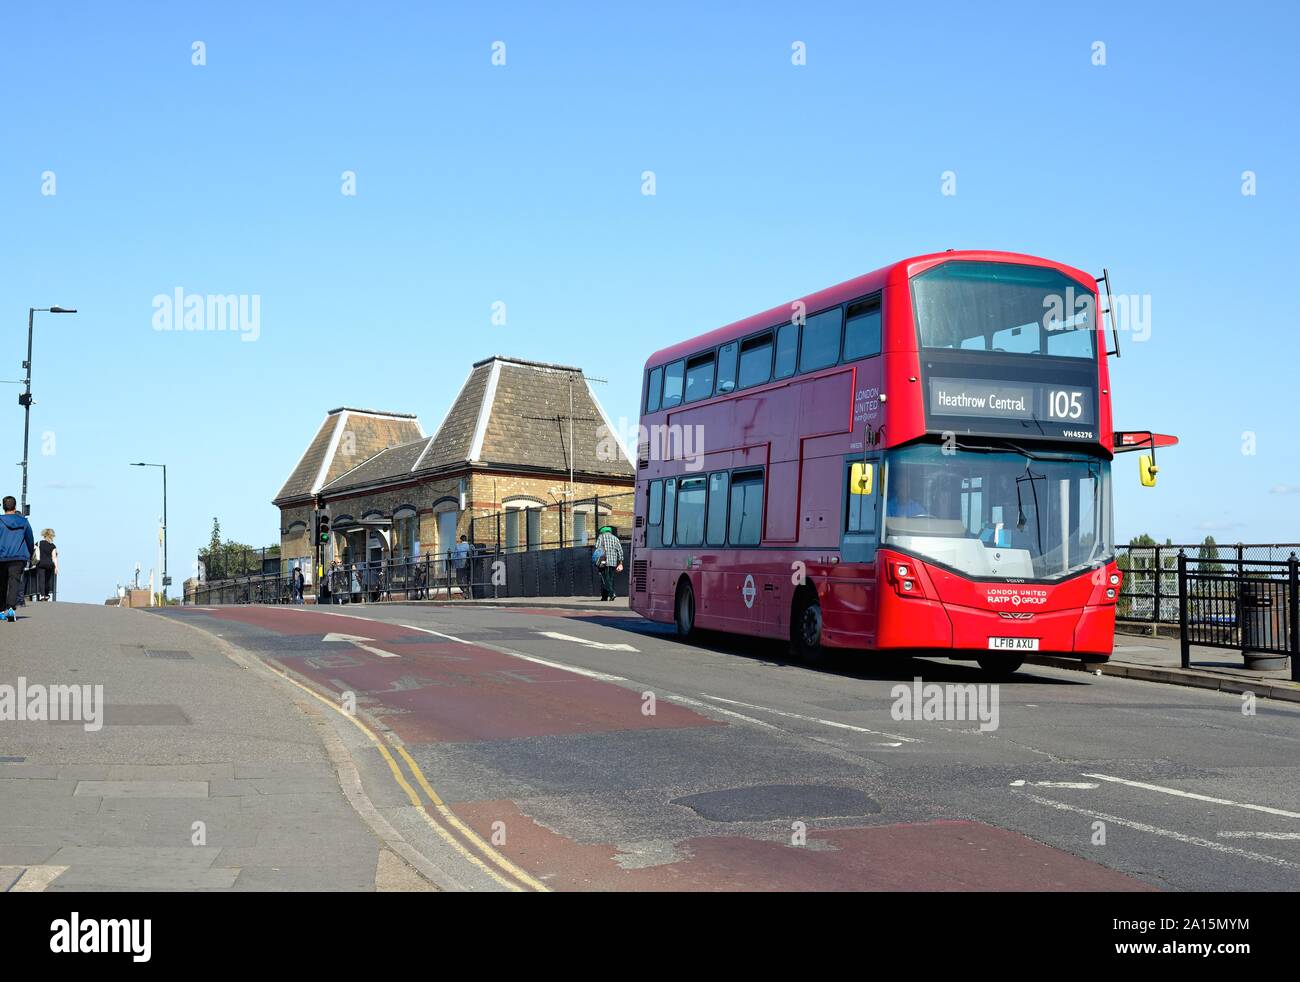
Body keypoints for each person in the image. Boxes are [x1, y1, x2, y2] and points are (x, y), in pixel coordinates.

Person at [0, 496, 36, 622]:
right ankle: (10, 609)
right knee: (14, 582)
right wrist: (30, 554)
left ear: (3, 507)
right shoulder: (23, 522)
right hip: (18, 556)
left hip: (1, 556)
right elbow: (30, 539)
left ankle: (1, 610)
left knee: (2, 583)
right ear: (15, 507)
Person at [592, 525, 624, 601]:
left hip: (603, 561)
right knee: (610, 579)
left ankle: (612, 593)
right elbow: (620, 551)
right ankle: (605, 597)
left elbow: (597, 547)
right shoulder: (616, 539)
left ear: (602, 532)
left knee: (605, 579)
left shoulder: (601, 537)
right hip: (613, 562)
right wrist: (621, 562)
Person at [34, 529, 58, 600]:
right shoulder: (53, 545)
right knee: (47, 580)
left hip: (40, 563)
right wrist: (56, 567)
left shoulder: (38, 543)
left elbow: (34, 552)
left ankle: (42, 595)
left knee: (41, 579)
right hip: (49, 564)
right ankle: (47, 594)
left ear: (44, 535)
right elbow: (54, 557)